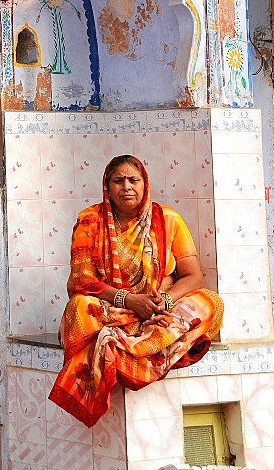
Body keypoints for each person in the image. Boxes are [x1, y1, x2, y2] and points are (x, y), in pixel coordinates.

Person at [48, 154, 223, 428]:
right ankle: (131, 342)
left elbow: (193, 276)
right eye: (118, 181)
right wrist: (130, 300)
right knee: (78, 307)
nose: (126, 186)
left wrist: (163, 301)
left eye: (133, 180)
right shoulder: (90, 220)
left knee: (210, 302)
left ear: (145, 183)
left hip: (158, 310)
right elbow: (82, 279)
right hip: (113, 309)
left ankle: (136, 346)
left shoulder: (168, 219)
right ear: (107, 187)